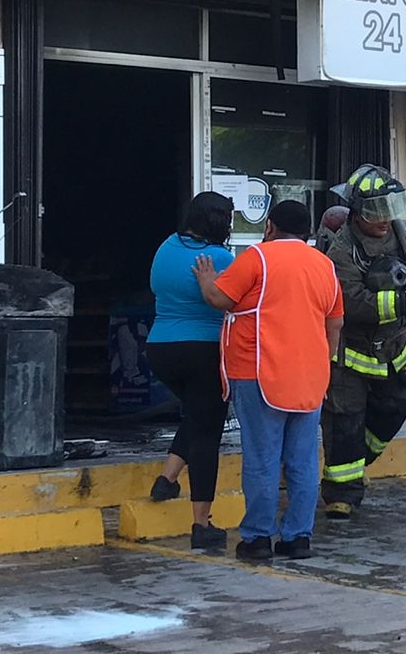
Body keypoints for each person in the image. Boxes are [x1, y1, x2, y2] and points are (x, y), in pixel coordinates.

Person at [193, 200, 344, 562]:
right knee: (303, 461)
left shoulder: (258, 258)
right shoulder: (324, 266)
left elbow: (219, 298)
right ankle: (298, 539)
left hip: (259, 373)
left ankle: (258, 539)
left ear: (270, 226)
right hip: (310, 378)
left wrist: (205, 278)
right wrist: (323, 362)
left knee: (262, 459)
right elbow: (334, 324)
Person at [319, 163, 406, 518]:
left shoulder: (403, 231)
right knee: (346, 421)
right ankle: (341, 497)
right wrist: (405, 299)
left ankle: (357, 462)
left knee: (397, 406)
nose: (384, 218)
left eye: (389, 208)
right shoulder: (343, 250)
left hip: (394, 350)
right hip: (351, 356)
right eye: (375, 210)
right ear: (356, 211)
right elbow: (351, 303)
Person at [144, 190, 236, 551]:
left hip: (161, 348)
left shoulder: (166, 247)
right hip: (203, 350)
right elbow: (237, 301)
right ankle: (202, 524)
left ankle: (167, 479)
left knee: (199, 415)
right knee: (207, 432)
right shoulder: (219, 258)